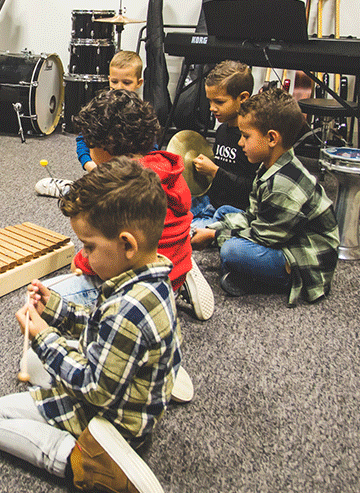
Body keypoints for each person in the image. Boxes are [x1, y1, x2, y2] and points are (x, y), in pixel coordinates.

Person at [0, 157, 180, 493]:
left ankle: (85, 463)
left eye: (88, 247)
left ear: (126, 245)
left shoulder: (128, 310)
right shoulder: (146, 280)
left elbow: (95, 389)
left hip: (112, 420)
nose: (83, 256)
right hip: (128, 390)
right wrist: (54, 309)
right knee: (38, 361)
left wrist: (42, 336)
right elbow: (96, 324)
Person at [47, 88, 214, 320]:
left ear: (105, 147)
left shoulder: (119, 190)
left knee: (48, 301)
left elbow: (106, 256)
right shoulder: (169, 169)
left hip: (138, 290)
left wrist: (81, 263)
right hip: (174, 266)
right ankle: (180, 273)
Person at [191, 86, 339, 306]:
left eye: (245, 136)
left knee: (232, 251)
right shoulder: (271, 165)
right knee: (224, 212)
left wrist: (214, 237)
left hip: (303, 261)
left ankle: (265, 280)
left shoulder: (283, 186)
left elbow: (263, 235)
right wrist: (214, 229)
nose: (240, 143)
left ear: (271, 138)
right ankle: (244, 273)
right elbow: (254, 216)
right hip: (282, 234)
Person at [36, 50, 144, 197]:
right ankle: (71, 189)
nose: (119, 87)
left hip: (131, 175)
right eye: (114, 81)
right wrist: (90, 165)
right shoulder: (101, 108)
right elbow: (83, 140)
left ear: (139, 83)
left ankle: (77, 190)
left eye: (126, 83)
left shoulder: (143, 113)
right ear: (108, 79)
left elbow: (151, 150)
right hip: (101, 171)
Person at [190, 61, 256, 229]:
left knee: (189, 231)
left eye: (219, 102)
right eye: (210, 101)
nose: (212, 108)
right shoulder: (221, 131)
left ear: (243, 98)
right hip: (211, 201)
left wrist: (214, 171)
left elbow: (251, 187)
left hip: (234, 209)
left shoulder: (251, 139)